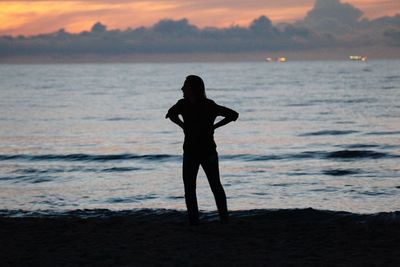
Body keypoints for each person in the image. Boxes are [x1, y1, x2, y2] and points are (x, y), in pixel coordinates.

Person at [166, 75, 239, 225]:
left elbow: (233, 115)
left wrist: (215, 126)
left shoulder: (208, 104)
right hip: (191, 152)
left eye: (185, 86)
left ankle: (224, 219)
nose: (182, 89)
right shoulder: (183, 104)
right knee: (190, 187)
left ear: (193, 89)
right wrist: (182, 125)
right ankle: (195, 221)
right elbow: (170, 114)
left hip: (207, 152)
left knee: (214, 185)